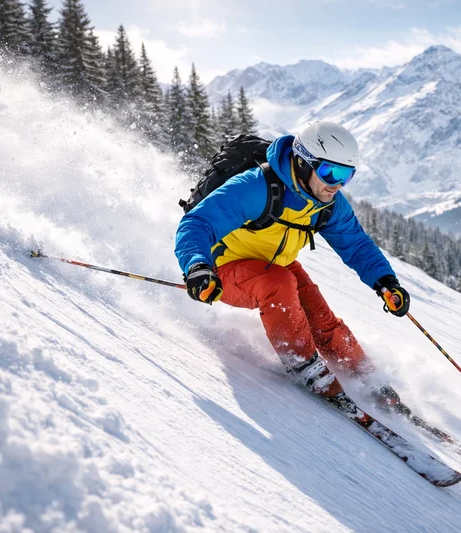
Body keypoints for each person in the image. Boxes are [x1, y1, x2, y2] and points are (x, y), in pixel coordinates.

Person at [174, 121, 410, 411]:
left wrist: (385, 282)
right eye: (329, 172)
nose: (336, 184)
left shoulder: (328, 203)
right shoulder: (255, 187)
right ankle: (304, 364)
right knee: (278, 284)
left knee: (320, 316)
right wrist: (197, 266)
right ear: (303, 162)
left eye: (346, 175)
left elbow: (356, 245)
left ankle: (367, 377)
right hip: (223, 268)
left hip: (276, 264)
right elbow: (197, 223)